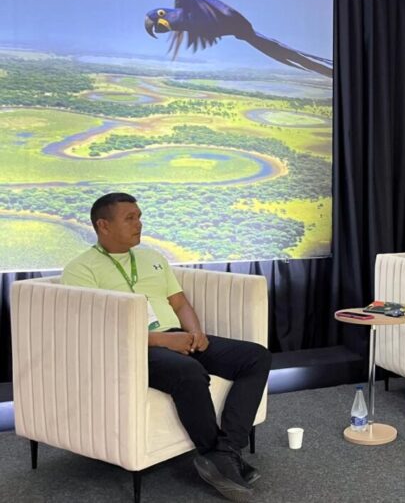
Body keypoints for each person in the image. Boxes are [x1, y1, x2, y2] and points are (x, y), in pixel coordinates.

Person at [62, 193, 271, 502]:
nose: (139, 224)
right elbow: (98, 330)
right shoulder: (81, 270)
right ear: (103, 225)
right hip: (133, 349)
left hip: (176, 336)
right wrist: (163, 341)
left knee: (255, 357)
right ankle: (217, 456)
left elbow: (179, 302)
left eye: (139, 217)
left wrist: (195, 332)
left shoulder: (152, 257)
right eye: (130, 218)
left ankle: (226, 450)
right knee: (188, 371)